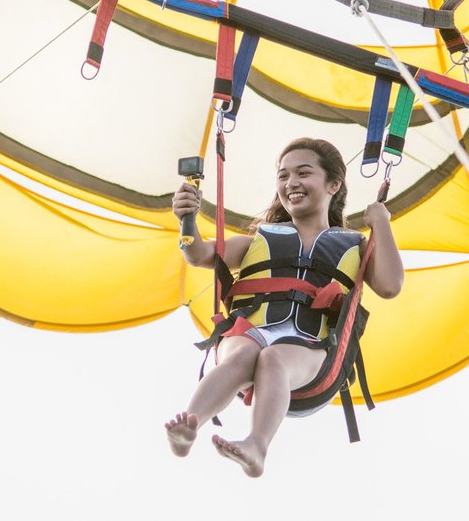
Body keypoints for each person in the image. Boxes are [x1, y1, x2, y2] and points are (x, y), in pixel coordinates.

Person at [165, 137, 404, 477]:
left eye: (303, 173)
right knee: (247, 354)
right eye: (283, 175)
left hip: (310, 350)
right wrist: (187, 219)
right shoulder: (257, 241)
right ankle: (189, 426)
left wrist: (381, 221)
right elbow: (199, 253)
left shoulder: (355, 247)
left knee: (273, 357)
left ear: (333, 184)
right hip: (249, 332)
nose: (291, 183)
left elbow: (391, 285)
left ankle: (257, 446)